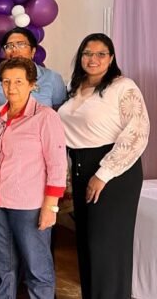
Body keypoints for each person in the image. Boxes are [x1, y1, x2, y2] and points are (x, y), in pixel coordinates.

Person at [58, 33, 150, 299]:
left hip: (113, 172)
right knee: (87, 246)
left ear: (111, 58)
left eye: (101, 54)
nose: (93, 59)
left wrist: (103, 174)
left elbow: (137, 133)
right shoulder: (74, 87)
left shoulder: (123, 87)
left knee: (105, 247)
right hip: (80, 168)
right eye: (87, 53)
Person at [0, 57, 67, 299]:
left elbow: (57, 165)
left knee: (37, 266)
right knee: (1, 265)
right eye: (6, 82)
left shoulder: (45, 117)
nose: (11, 87)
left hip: (29, 205)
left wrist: (50, 207)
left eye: (18, 81)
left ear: (32, 84)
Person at [0, 27, 66, 109]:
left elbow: (58, 113)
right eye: (9, 46)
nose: (15, 50)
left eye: (21, 45)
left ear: (33, 51)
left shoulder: (53, 78)